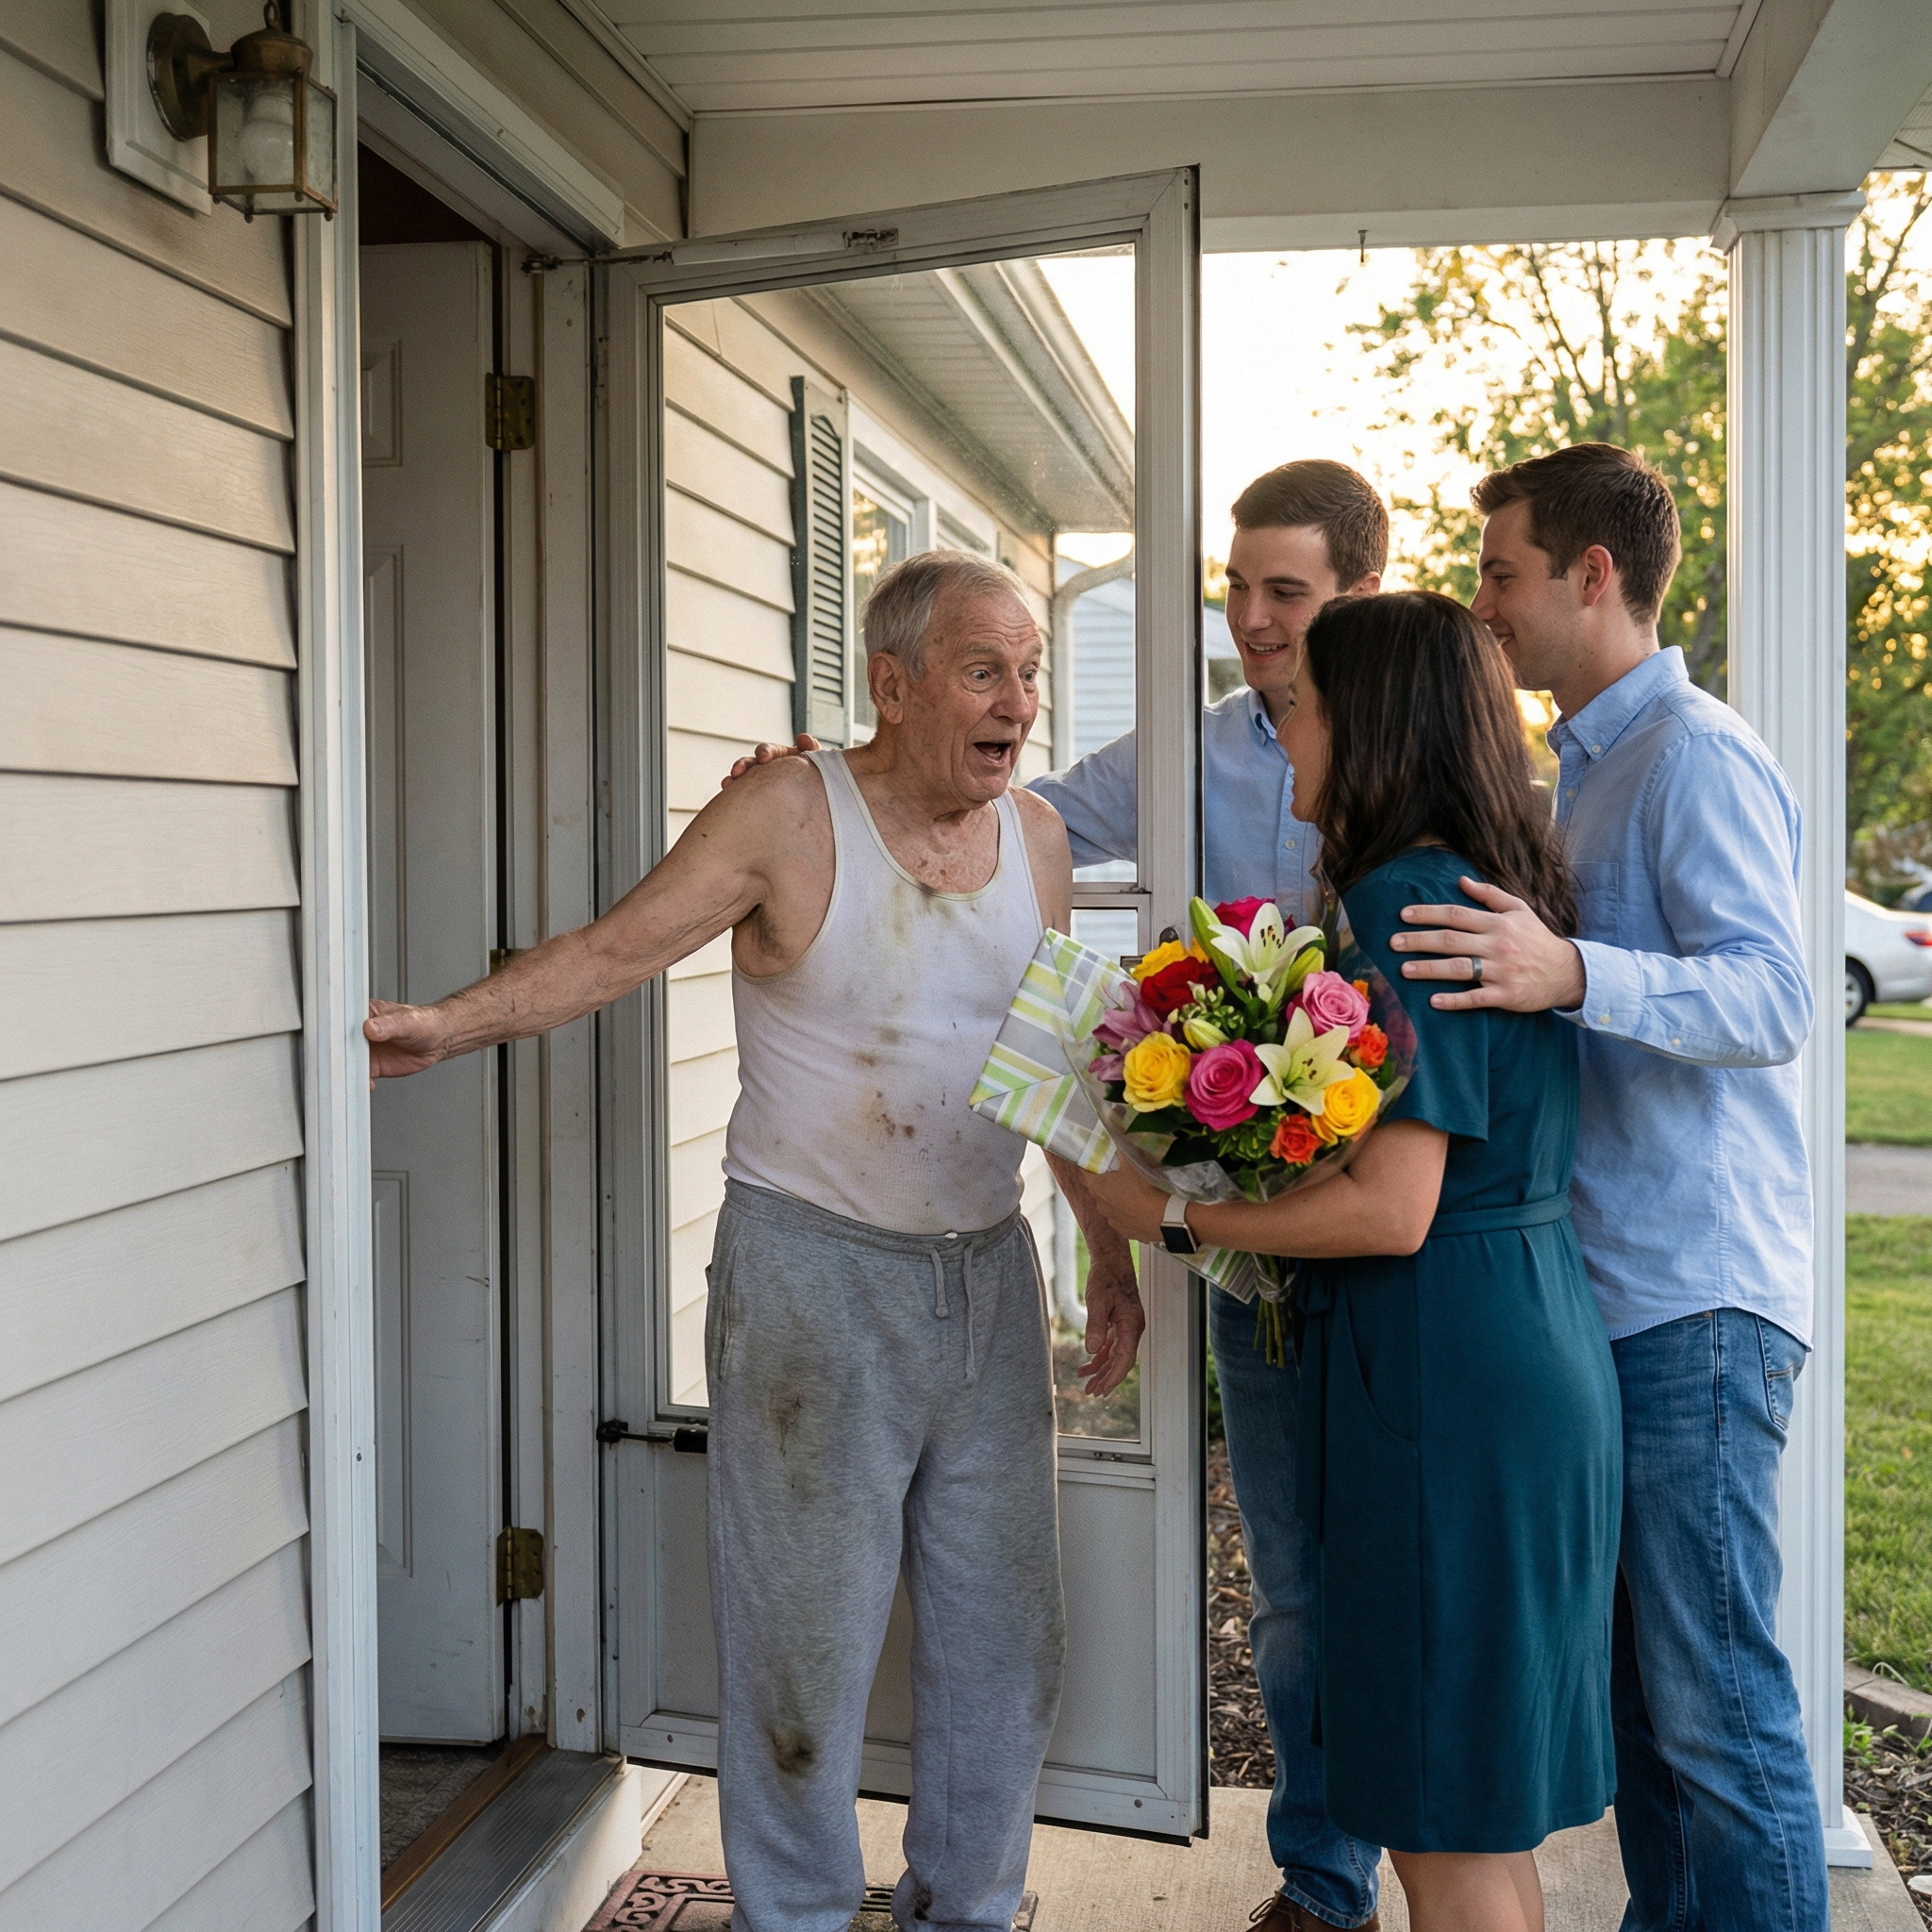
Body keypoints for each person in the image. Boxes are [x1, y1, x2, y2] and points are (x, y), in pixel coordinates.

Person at [364, 550, 1142, 1932]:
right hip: (813, 1278)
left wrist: (1111, 1259)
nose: (1019, 697)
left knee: (1006, 1640)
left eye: (1029, 670)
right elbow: (614, 952)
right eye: (985, 669)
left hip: (988, 1273)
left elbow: (1057, 1066)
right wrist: (444, 1024)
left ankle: (968, 1907)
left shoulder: (1034, 837)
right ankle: (793, 1915)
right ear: (892, 686)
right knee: (805, 1647)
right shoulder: (789, 811)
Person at [729, 460, 1390, 1932]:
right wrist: (807, 781)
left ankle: (1441, 1860)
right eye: (1239, 589)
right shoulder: (1187, 757)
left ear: (1357, 591)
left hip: (1411, 1231)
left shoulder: (1434, 765)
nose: (1254, 619)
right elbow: (971, 790)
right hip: (1242, 1224)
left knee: (1405, 1578)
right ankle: (1325, 1877)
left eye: (1285, 592)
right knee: (1289, 1583)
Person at [1084, 591, 1623, 1932]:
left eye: (1300, 704)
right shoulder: (1491, 877)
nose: (1282, 730)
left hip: (1446, 1375)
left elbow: (1393, 1209)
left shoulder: (1404, 898)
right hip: (1515, 1340)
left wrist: (1173, 1217)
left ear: (1371, 721)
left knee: (1443, 1829)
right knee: (1471, 1823)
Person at [1389, 443, 1824, 1931]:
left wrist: (1573, 970)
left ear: (1591, 575)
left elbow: (1777, 999)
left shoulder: (1691, 751)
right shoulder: (1576, 767)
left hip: (1693, 1304)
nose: (1483, 604)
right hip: (1609, 1305)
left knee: (1716, 1723)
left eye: (1501, 572)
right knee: (1645, 1725)